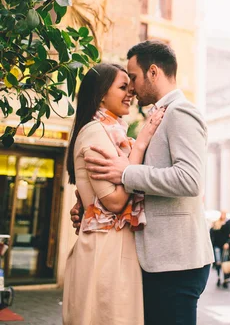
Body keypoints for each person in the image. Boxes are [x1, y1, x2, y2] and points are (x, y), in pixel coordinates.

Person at [70, 41, 214, 325]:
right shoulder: (153, 118)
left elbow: (190, 179)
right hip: (153, 259)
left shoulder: (180, 112)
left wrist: (127, 173)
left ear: (153, 72)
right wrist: (90, 205)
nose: (132, 88)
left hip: (176, 260)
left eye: (133, 78)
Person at [62, 63, 165, 325]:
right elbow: (116, 202)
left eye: (130, 86)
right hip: (105, 252)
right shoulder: (96, 132)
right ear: (100, 95)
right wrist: (141, 143)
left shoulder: (110, 131)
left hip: (112, 248)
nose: (130, 92)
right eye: (123, 87)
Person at [210, 211, 230, 288]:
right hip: (217, 246)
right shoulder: (216, 224)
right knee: (218, 262)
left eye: (224, 214)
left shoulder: (227, 224)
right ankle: (219, 277)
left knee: (225, 262)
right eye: (222, 214)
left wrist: (227, 243)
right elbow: (212, 235)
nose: (223, 215)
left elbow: (229, 235)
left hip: (225, 246)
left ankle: (225, 279)